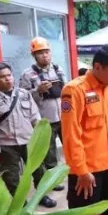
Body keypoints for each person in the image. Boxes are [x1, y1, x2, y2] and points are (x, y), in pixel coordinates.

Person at [60, 44, 108, 215]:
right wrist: (81, 171)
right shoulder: (74, 90)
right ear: (97, 67)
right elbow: (70, 134)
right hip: (87, 173)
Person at [0, 62, 52, 206]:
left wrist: (41, 135)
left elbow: (35, 116)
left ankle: (42, 196)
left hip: (29, 140)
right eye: (2, 77)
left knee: (39, 170)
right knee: (11, 177)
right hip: (7, 145)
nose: (7, 79)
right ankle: (20, 203)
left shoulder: (24, 94)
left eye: (9, 75)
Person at [19, 37, 65, 202]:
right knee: (49, 152)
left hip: (63, 117)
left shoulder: (58, 69)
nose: (45, 56)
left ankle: (64, 176)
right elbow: (22, 98)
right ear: (34, 55)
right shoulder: (28, 74)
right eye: (40, 53)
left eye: (46, 52)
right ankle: (51, 181)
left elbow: (66, 90)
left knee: (70, 146)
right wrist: (38, 90)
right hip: (44, 120)